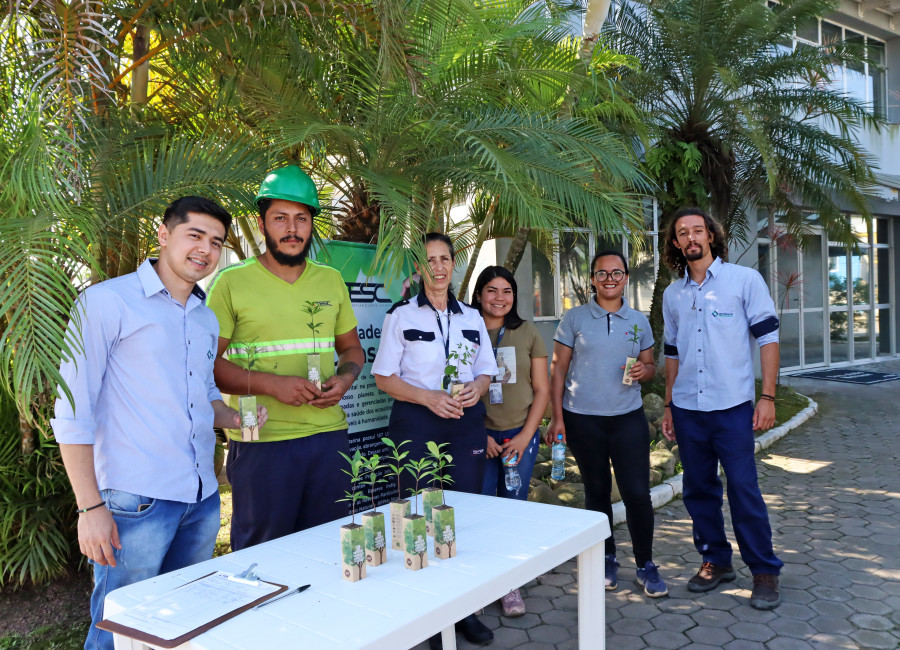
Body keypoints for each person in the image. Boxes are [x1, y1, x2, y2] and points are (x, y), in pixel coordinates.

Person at [52, 197, 268, 650]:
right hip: (136, 501)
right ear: (164, 234)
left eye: (216, 242)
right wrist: (90, 509)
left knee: (180, 625)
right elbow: (72, 410)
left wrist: (234, 417)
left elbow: (204, 396)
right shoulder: (106, 302)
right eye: (195, 235)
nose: (205, 250)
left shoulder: (205, 317)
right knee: (119, 630)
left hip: (202, 499)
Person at [207, 165, 365, 550]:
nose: (291, 228)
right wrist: (271, 385)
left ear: (312, 226)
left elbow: (352, 349)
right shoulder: (231, 282)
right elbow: (205, 365)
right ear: (262, 224)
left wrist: (344, 380)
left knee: (331, 549)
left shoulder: (330, 280)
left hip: (328, 437)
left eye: (301, 218)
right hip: (261, 440)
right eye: (280, 218)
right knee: (264, 553)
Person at [373, 233, 498, 648]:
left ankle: (464, 613)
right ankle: (426, 616)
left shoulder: (472, 317)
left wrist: (476, 390)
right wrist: (428, 397)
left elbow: (485, 371)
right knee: (420, 517)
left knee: (463, 514)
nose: (439, 267)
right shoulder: (401, 315)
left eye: (445, 259)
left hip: (464, 424)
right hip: (417, 424)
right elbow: (383, 377)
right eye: (430, 260)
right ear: (419, 268)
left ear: (454, 264)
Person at [660, 207, 783, 610]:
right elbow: (672, 351)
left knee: (743, 488)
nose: (691, 238)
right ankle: (715, 560)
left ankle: (764, 570)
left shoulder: (743, 280)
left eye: (698, 230)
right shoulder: (673, 294)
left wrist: (767, 397)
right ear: (676, 242)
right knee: (698, 490)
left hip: (732, 408)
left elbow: (767, 339)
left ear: (711, 236)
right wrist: (667, 404)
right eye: (683, 233)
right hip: (687, 409)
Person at [546, 250, 668, 598]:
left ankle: (645, 564)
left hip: (627, 418)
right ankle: (606, 557)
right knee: (597, 492)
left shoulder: (638, 320)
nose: (610, 278)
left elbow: (648, 367)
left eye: (617, 273)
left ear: (626, 277)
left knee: (636, 493)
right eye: (602, 273)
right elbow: (558, 370)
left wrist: (647, 371)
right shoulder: (575, 319)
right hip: (583, 419)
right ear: (593, 279)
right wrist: (557, 417)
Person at [472, 265, 549, 616]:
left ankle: (509, 584)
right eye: (492, 290)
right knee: (479, 510)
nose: (499, 298)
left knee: (511, 510)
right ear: (478, 294)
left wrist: (524, 437)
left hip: (520, 435)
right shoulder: (463, 330)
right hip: (477, 437)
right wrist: (477, 434)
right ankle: (478, 583)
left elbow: (542, 390)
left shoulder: (528, 331)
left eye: (507, 291)